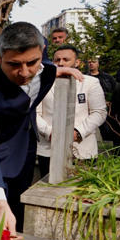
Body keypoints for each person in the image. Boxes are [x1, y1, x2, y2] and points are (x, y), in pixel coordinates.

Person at [0, 22, 83, 235]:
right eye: (13, 64)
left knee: (20, 200)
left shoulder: (41, 50)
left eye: (32, 62)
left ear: (42, 51)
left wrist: (55, 70)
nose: (24, 73)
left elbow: (40, 64)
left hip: (26, 139)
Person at [36, 45, 107, 177]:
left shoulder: (91, 82)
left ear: (77, 62)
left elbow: (99, 113)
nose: (61, 63)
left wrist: (77, 133)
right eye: (57, 60)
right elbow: (35, 113)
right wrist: (50, 132)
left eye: (66, 59)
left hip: (82, 149)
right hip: (49, 148)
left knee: (81, 193)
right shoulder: (43, 83)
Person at [86, 56, 117, 141]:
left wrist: (110, 101)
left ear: (98, 64)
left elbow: (116, 90)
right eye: (89, 62)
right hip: (89, 108)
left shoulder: (107, 77)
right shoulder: (84, 78)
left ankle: (108, 148)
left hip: (106, 107)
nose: (91, 64)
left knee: (107, 130)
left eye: (93, 62)